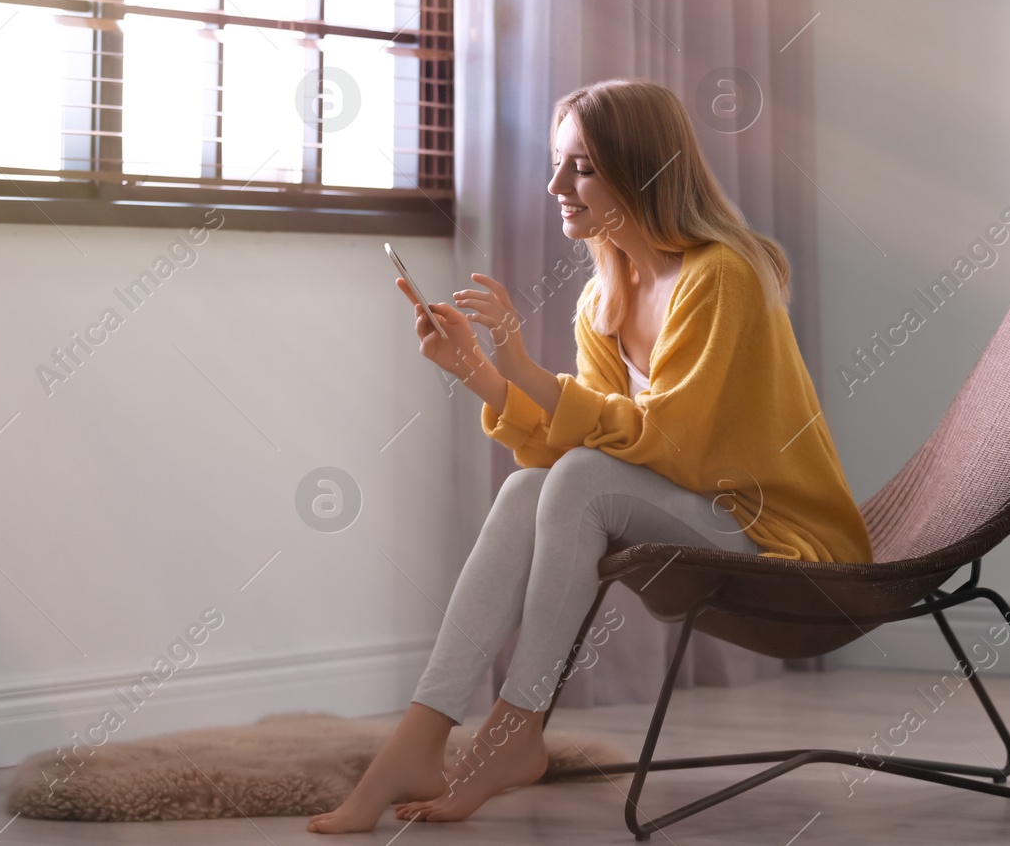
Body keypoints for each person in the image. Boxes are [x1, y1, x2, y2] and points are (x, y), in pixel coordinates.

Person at [307, 78, 871, 833]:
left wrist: (520, 365)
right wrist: (479, 370)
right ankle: (420, 737)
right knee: (528, 488)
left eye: (581, 167)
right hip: (691, 512)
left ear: (640, 169)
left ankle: (514, 733)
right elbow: (581, 448)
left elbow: (672, 445)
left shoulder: (721, 276)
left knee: (571, 478)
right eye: (558, 164)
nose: (555, 186)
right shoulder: (602, 300)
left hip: (779, 539)